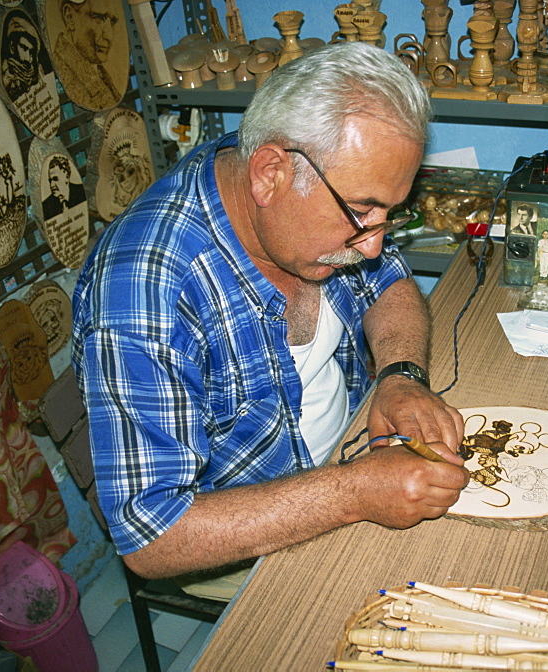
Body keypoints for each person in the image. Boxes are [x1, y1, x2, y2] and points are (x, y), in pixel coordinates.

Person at [71, 43, 469, 593]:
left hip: (352, 455)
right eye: (361, 213)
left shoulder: (292, 171)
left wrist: (400, 375)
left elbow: (387, 280)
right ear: (269, 175)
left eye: (388, 214)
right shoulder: (145, 293)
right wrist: (351, 493)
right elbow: (152, 537)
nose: (375, 244)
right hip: (251, 537)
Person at [52, 0, 122, 110]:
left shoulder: (96, 69)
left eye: (112, 21)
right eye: (99, 18)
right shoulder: (63, 72)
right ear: (69, 17)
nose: (110, 36)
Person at [42, 155, 86, 220]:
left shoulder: (80, 192)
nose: (52, 185)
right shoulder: (47, 205)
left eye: (55, 178)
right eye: (50, 180)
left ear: (67, 176)